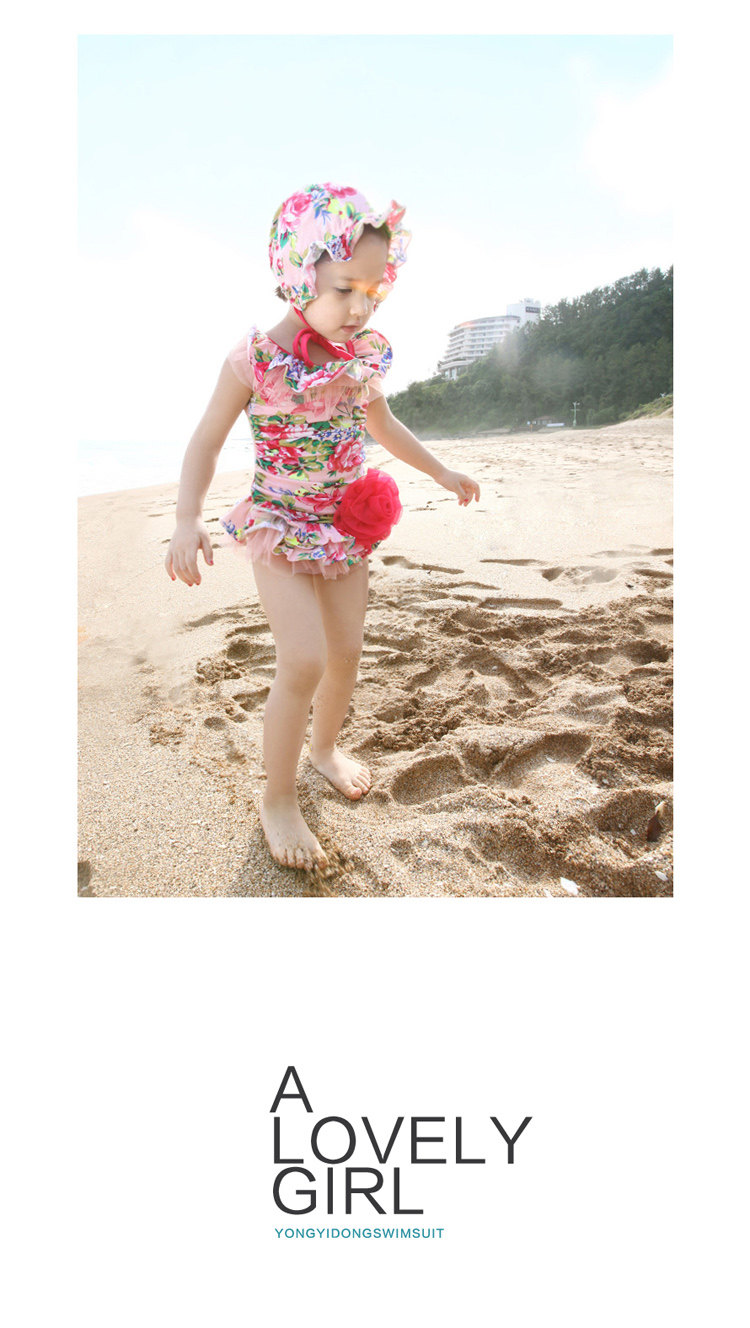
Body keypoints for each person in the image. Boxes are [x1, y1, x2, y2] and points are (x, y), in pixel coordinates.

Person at [165, 183, 480, 871]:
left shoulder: (358, 356)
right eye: (344, 289)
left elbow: (384, 426)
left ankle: (325, 749)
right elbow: (206, 441)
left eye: (373, 292)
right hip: (279, 526)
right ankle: (278, 796)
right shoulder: (253, 359)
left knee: (345, 654)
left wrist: (440, 471)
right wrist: (187, 519)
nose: (360, 308)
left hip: (342, 527)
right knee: (303, 659)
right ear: (297, 274)